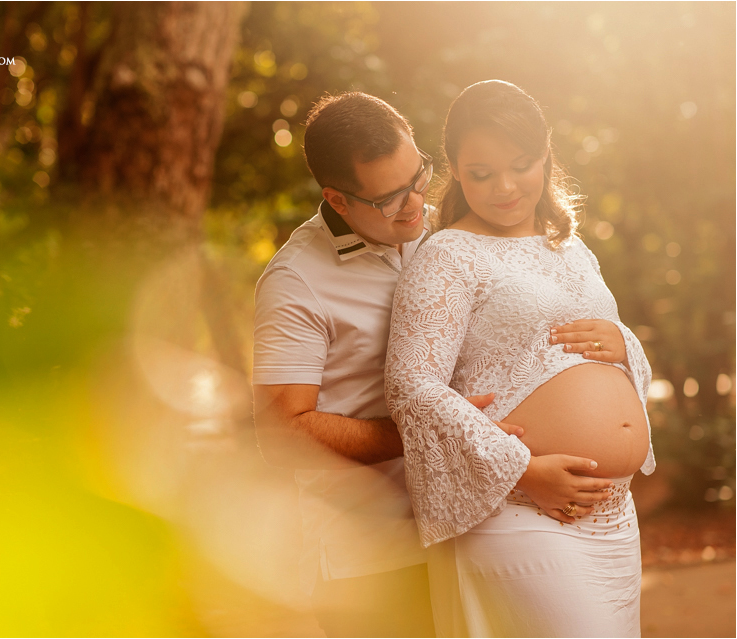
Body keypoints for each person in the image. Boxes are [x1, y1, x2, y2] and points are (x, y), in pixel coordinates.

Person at [252, 92, 622, 637]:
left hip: (473, 516)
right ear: (338, 199)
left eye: (418, 178)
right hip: (374, 550)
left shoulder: (444, 230)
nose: (414, 205)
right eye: (388, 199)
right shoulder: (295, 284)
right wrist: (434, 431)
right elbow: (282, 430)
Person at [385, 80, 655, 637]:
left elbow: (579, 358)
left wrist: (622, 340)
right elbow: (411, 383)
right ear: (456, 170)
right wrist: (521, 471)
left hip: (614, 520)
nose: (504, 187)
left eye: (521, 164)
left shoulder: (572, 247)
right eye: (481, 174)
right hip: (524, 511)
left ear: (546, 155)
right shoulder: (448, 254)